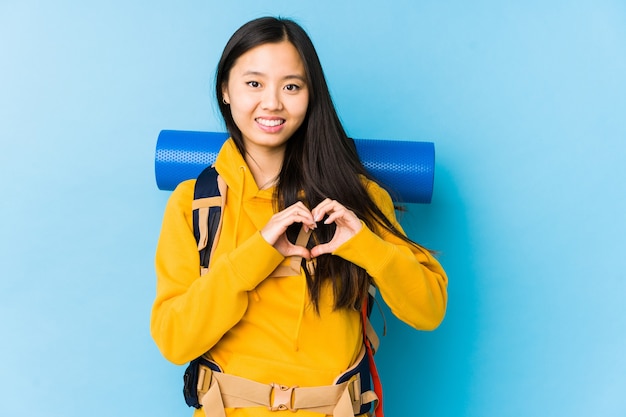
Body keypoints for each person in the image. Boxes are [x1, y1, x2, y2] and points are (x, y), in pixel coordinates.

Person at [150, 16, 448, 417]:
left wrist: (365, 247)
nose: (272, 102)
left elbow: (429, 311)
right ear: (225, 90)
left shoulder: (354, 198)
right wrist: (255, 256)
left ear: (311, 96)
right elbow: (174, 340)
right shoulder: (195, 204)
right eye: (254, 83)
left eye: (291, 86)